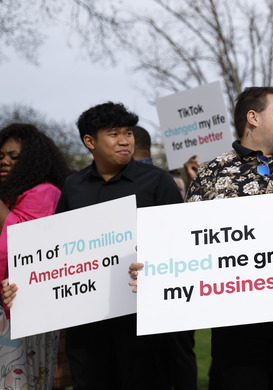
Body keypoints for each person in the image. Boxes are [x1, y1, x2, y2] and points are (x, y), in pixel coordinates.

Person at [133, 86, 273, 390]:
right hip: (236, 313)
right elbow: (186, 235)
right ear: (253, 118)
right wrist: (152, 269)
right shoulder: (212, 172)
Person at [3, 102, 184, 390]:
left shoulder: (158, 182)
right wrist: (23, 284)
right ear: (89, 141)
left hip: (139, 321)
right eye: (114, 134)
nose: (125, 140)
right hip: (86, 326)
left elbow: (178, 243)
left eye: (128, 133)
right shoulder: (73, 186)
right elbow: (54, 252)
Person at [0, 123, 70, 390]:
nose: (5, 161)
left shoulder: (44, 192)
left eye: (14, 157)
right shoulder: (10, 195)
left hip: (26, 309)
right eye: (1, 156)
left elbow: (21, 239)